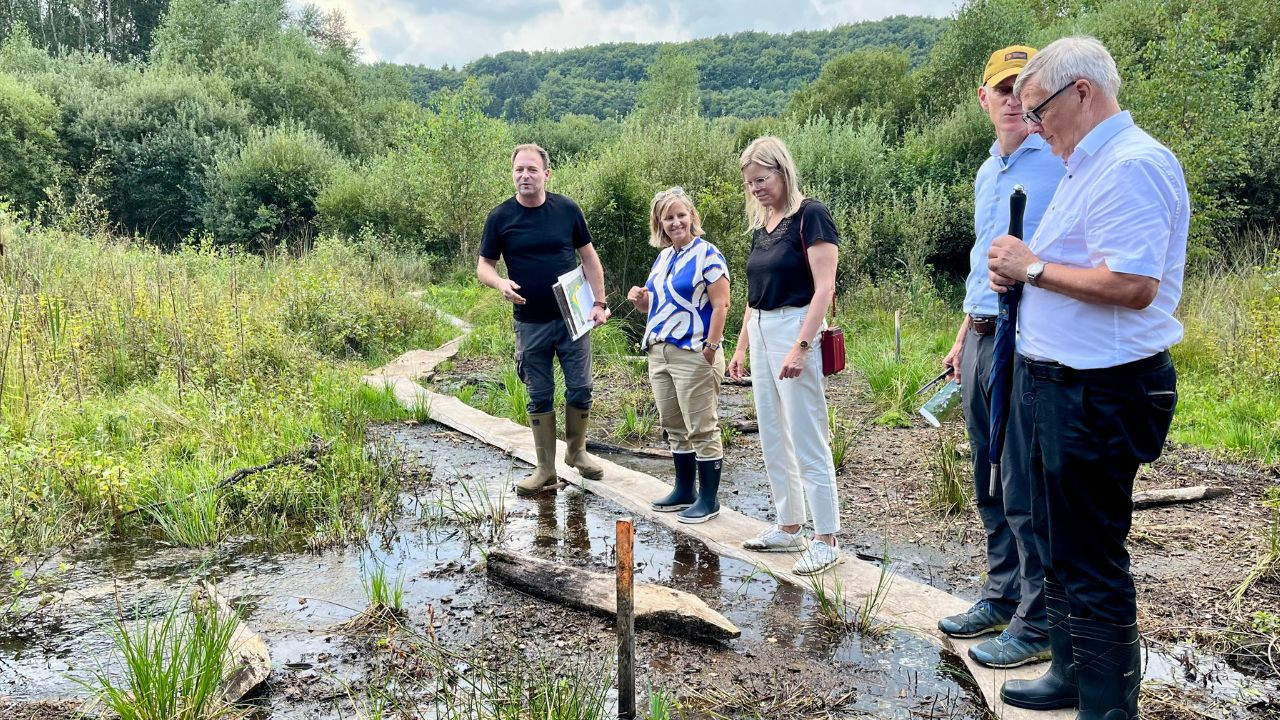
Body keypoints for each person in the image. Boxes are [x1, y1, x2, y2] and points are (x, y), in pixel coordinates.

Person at [987, 36, 1188, 719]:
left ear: (1083, 93)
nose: (1036, 126)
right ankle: (1071, 675)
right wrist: (1022, 270)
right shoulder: (1083, 166)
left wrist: (1033, 269)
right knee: (1058, 545)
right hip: (1059, 387)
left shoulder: (1132, 165)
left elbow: (1133, 283)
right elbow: (1070, 266)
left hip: (1100, 393)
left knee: (1093, 558)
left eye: (1040, 109)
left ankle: (1108, 709)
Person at [936, 45, 1066, 670]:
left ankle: (1036, 618)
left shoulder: (1061, 160)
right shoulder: (989, 169)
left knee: (1023, 478)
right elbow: (985, 261)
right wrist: (964, 333)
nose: (1013, 99)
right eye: (1002, 88)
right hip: (984, 332)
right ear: (982, 99)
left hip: (1030, 335)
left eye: (1024, 88)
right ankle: (1001, 591)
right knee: (987, 470)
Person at [727, 136, 841, 576]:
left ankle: (826, 537)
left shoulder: (809, 215)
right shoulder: (764, 225)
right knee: (772, 431)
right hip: (760, 327)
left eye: (762, 179)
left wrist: (802, 345)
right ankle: (789, 523)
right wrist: (740, 346)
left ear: (782, 171)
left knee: (807, 432)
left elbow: (824, 288)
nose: (755, 188)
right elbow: (753, 297)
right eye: (750, 182)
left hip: (796, 325)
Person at [477, 143, 610, 496]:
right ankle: (545, 469)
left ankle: (577, 452)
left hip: (574, 319)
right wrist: (499, 283)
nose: (525, 176)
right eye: (519, 169)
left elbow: (590, 259)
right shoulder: (500, 218)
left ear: (546, 174)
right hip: (530, 321)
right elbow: (484, 266)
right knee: (539, 394)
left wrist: (600, 302)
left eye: (532, 170)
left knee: (580, 386)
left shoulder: (566, 210)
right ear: (512, 173)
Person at [626, 187, 731, 523]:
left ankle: (709, 499)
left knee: (702, 426)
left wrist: (711, 348)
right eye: (668, 218)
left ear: (692, 216)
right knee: (674, 424)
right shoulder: (663, 258)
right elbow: (655, 307)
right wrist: (640, 300)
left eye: (680, 215)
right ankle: (684, 490)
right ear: (659, 223)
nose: (675, 222)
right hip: (660, 351)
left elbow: (721, 305)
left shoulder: (708, 255)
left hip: (695, 351)